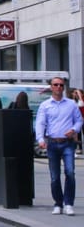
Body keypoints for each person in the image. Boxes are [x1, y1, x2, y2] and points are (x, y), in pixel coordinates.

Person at [35, 76, 83, 215]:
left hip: (67, 143)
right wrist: (40, 139)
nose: (58, 87)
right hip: (52, 142)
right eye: (55, 85)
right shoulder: (45, 105)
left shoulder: (71, 104)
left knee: (70, 173)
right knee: (55, 176)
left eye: (61, 85)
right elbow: (40, 123)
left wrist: (74, 130)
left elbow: (79, 121)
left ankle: (68, 203)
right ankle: (58, 203)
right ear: (51, 87)